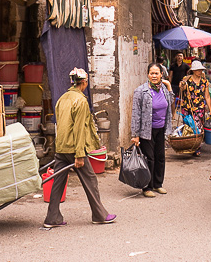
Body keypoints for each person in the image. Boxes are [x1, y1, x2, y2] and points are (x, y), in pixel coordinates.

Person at [44, 68, 116, 228]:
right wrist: (79, 155)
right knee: (90, 180)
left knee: (58, 182)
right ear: (84, 83)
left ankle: (52, 217)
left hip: (61, 147)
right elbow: (79, 129)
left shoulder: (62, 99)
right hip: (74, 148)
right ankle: (100, 215)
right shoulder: (81, 101)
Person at [131, 63, 174, 198]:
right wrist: (135, 135)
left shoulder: (164, 90)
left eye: (156, 73)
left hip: (161, 129)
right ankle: (147, 187)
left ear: (161, 74)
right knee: (149, 158)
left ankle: (158, 184)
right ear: (148, 74)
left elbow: (171, 102)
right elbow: (135, 113)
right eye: (151, 73)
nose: (154, 76)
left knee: (160, 157)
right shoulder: (141, 91)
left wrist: (169, 86)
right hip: (146, 130)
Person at [179, 60, 211, 157]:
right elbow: (182, 89)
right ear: (193, 70)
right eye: (197, 70)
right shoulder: (187, 80)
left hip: (199, 108)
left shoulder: (204, 82)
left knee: (197, 127)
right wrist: (182, 85)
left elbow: (207, 96)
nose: (199, 72)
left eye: (200, 70)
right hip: (187, 107)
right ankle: (189, 145)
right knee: (188, 127)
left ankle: (196, 147)